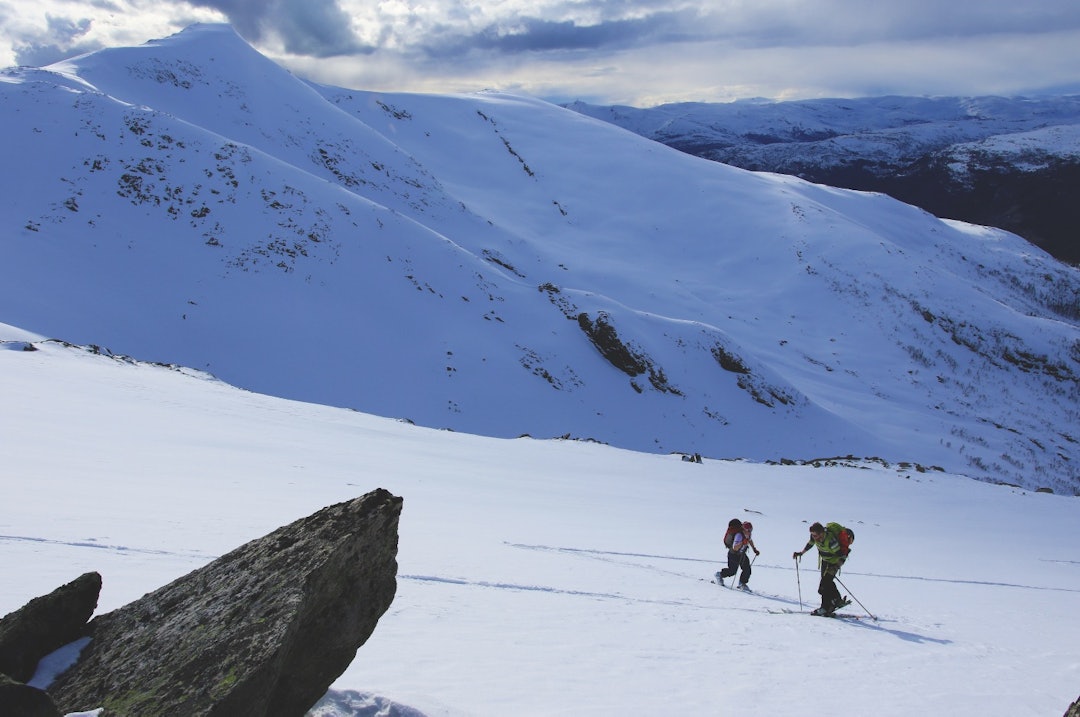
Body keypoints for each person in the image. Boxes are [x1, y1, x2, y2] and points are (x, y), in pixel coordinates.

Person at [793, 521, 851, 615]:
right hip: (825, 561)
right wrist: (801, 553)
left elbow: (840, 554)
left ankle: (825, 607)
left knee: (824, 586)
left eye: (815, 535)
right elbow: (810, 544)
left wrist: (837, 565)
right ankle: (836, 601)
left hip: (834, 562)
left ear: (821, 533)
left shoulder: (831, 540)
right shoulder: (815, 537)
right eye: (812, 535)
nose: (814, 537)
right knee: (826, 584)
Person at [716, 519, 760, 590]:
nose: (750, 532)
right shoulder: (739, 535)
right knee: (732, 571)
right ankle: (719, 575)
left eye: (750, 530)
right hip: (733, 555)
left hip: (742, 554)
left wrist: (754, 549)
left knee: (747, 569)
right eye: (748, 530)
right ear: (744, 529)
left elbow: (750, 540)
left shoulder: (748, 535)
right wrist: (742, 542)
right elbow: (735, 548)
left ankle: (742, 583)